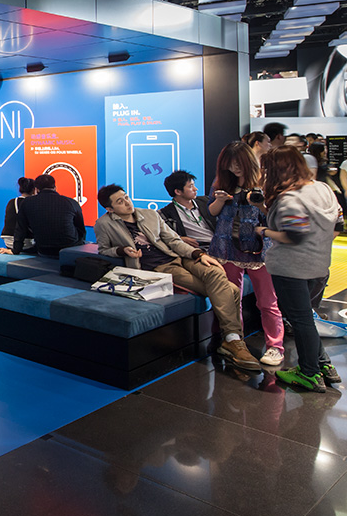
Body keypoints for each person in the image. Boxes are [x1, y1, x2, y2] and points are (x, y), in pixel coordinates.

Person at [95, 183, 260, 371]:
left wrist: (198, 254)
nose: (127, 202)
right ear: (110, 209)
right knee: (232, 290)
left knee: (214, 270)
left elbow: (173, 240)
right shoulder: (104, 224)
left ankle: (230, 341)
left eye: (126, 197)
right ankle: (233, 341)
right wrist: (122, 250)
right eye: (120, 201)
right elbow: (104, 249)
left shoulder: (149, 214)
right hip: (160, 268)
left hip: (179, 256)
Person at [257, 146, 342, 392]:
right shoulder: (322, 188)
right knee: (306, 318)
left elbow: (294, 234)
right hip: (319, 266)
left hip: (291, 269)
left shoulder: (290, 199)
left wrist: (264, 231)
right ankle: (324, 365)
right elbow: (337, 224)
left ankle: (309, 373)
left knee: (300, 321)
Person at [206, 142, 286, 366]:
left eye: (238, 163)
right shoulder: (222, 182)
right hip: (226, 247)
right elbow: (212, 211)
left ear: (248, 161)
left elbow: (275, 217)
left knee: (268, 301)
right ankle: (234, 342)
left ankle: (275, 347)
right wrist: (220, 200)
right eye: (229, 164)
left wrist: (259, 204)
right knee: (231, 299)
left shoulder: (266, 181)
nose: (234, 168)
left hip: (259, 249)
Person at [9, 173, 85, 256]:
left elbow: (20, 229)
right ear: (55, 188)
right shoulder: (71, 202)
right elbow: (81, 229)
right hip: (69, 249)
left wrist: (15, 250)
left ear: (36, 189)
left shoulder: (27, 203)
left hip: (43, 250)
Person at [158, 169, 215, 252]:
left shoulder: (205, 201)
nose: (195, 189)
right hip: (198, 249)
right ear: (178, 191)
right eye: (190, 186)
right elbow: (160, 236)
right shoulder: (165, 214)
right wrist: (180, 238)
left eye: (194, 185)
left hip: (220, 244)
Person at [0, 176, 37, 251]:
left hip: (7, 241)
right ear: (34, 190)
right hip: (25, 243)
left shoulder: (11, 201)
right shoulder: (32, 203)